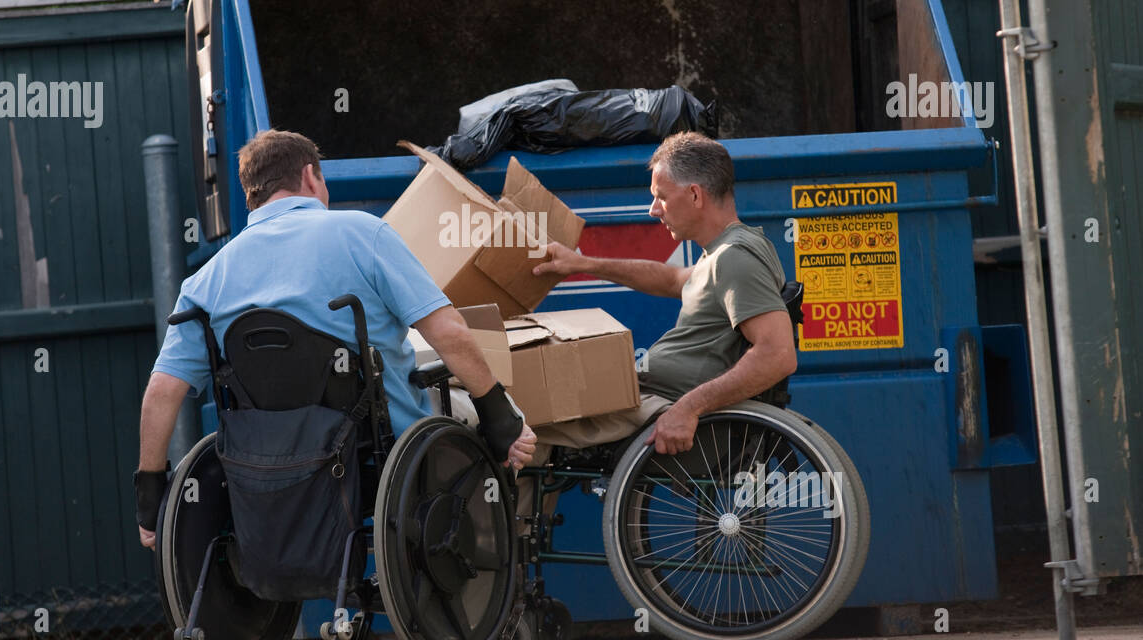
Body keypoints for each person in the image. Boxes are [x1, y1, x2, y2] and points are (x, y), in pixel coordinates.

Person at [135, 129, 535, 547]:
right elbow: (450, 332)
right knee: (516, 431)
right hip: (382, 453)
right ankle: (498, 584)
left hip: (269, 467)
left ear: (251, 194)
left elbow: (162, 391)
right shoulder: (364, 234)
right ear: (310, 176)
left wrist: (150, 495)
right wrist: (502, 420)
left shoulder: (204, 282)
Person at [526, 131, 796, 465]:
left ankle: (510, 515)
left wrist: (688, 408)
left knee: (517, 420)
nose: (654, 210)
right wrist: (583, 263)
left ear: (695, 195)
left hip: (659, 407)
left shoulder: (734, 258)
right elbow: (672, 278)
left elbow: (778, 354)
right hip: (648, 398)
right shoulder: (721, 253)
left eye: (661, 197)